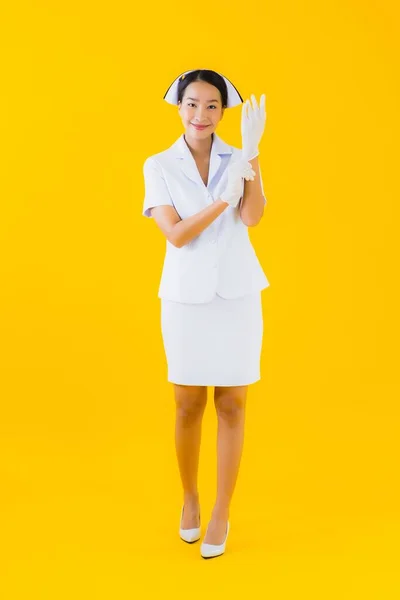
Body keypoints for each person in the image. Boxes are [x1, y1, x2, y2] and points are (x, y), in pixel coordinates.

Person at [142, 68, 270, 558]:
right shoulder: (158, 165)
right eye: (192, 103)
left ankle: (221, 511)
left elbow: (254, 217)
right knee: (187, 403)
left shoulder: (239, 157)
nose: (201, 114)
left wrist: (253, 154)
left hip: (236, 294)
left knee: (232, 404)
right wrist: (222, 199)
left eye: (212, 105)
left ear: (223, 111)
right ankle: (191, 498)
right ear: (179, 107)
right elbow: (175, 234)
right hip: (185, 298)